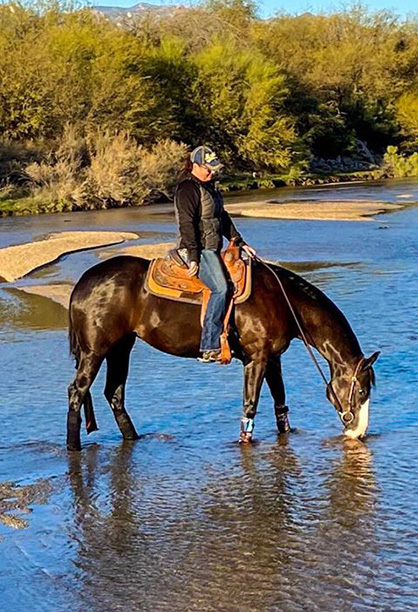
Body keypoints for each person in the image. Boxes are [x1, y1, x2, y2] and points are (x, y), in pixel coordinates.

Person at [174, 145, 256, 363]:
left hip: (212, 247)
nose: (212, 173)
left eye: (214, 169)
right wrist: (192, 256)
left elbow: (222, 217)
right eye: (208, 169)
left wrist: (239, 241)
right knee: (221, 288)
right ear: (195, 165)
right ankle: (209, 345)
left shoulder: (210, 187)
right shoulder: (187, 190)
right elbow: (187, 224)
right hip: (197, 248)